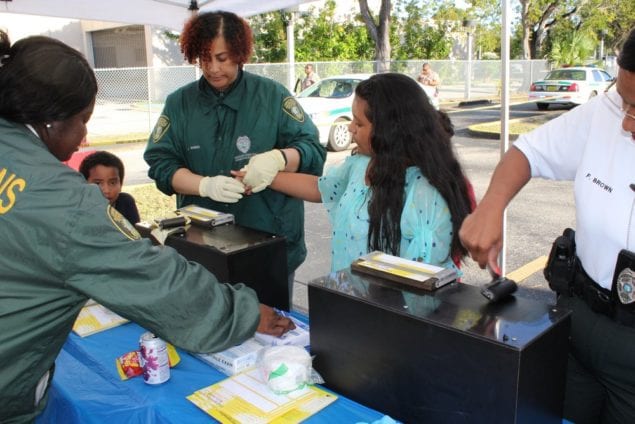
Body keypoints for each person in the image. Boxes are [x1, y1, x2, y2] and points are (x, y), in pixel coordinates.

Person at [0, 31, 294, 423]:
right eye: (82, 121)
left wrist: (280, 157)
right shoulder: (63, 199)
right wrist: (243, 312)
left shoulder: (271, 95)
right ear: (51, 121)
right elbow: (154, 279)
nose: (85, 136)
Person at [458, 27, 635, 424]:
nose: (625, 122)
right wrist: (491, 206)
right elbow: (528, 151)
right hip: (581, 324)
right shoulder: (603, 112)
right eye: (624, 101)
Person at [143, 11, 325, 305]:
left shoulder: (272, 96)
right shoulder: (179, 103)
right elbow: (161, 163)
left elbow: (312, 150)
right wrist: (203, 186)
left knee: (272, 334)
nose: (213, 68)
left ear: (240, 54)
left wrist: (278, 159)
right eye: (204, 59)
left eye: (222, 58)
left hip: (268, 238)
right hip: (203, 244)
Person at [263, 73, 473, 273]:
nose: (350, 128)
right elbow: (321, 187)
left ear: (390, 130)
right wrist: (264, 175)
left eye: (360, 123)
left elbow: (418, 278)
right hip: (351, 299)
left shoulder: (424, 192)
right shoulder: (361, 164)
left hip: (386, 307)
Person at [79, 150, 141, 224]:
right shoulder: (78, 210)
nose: (107, 190)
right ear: (84, 184)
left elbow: (136, 233)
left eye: (112, 183)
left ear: (121, 184)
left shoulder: (125, 202)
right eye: (98, 183)